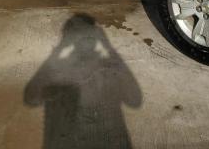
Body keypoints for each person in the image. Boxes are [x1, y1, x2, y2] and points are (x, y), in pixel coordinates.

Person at [24, 14, 142, 148]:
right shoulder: (60, 69)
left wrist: (108, 47)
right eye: (76, 35)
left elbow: (135, 100)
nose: (82, 40)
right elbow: (31, 98)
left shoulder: (108, 66)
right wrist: (59, 49)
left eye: (88, 35)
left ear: (97, 37)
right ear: (68, 39)